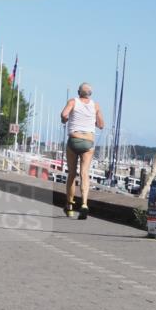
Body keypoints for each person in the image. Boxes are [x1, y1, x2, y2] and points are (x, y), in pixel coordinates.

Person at [60, 83, 104, 220]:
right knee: (84, 173)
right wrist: (93, 120)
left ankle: (70, 206)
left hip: (74, 139)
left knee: (72, 174)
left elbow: (64, 115)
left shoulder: (73, 101)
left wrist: (65, 119)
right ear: (90, 94)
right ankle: (84, 204)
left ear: (78, 92)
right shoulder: (95, 105)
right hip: (88, 142)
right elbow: (101, 125)